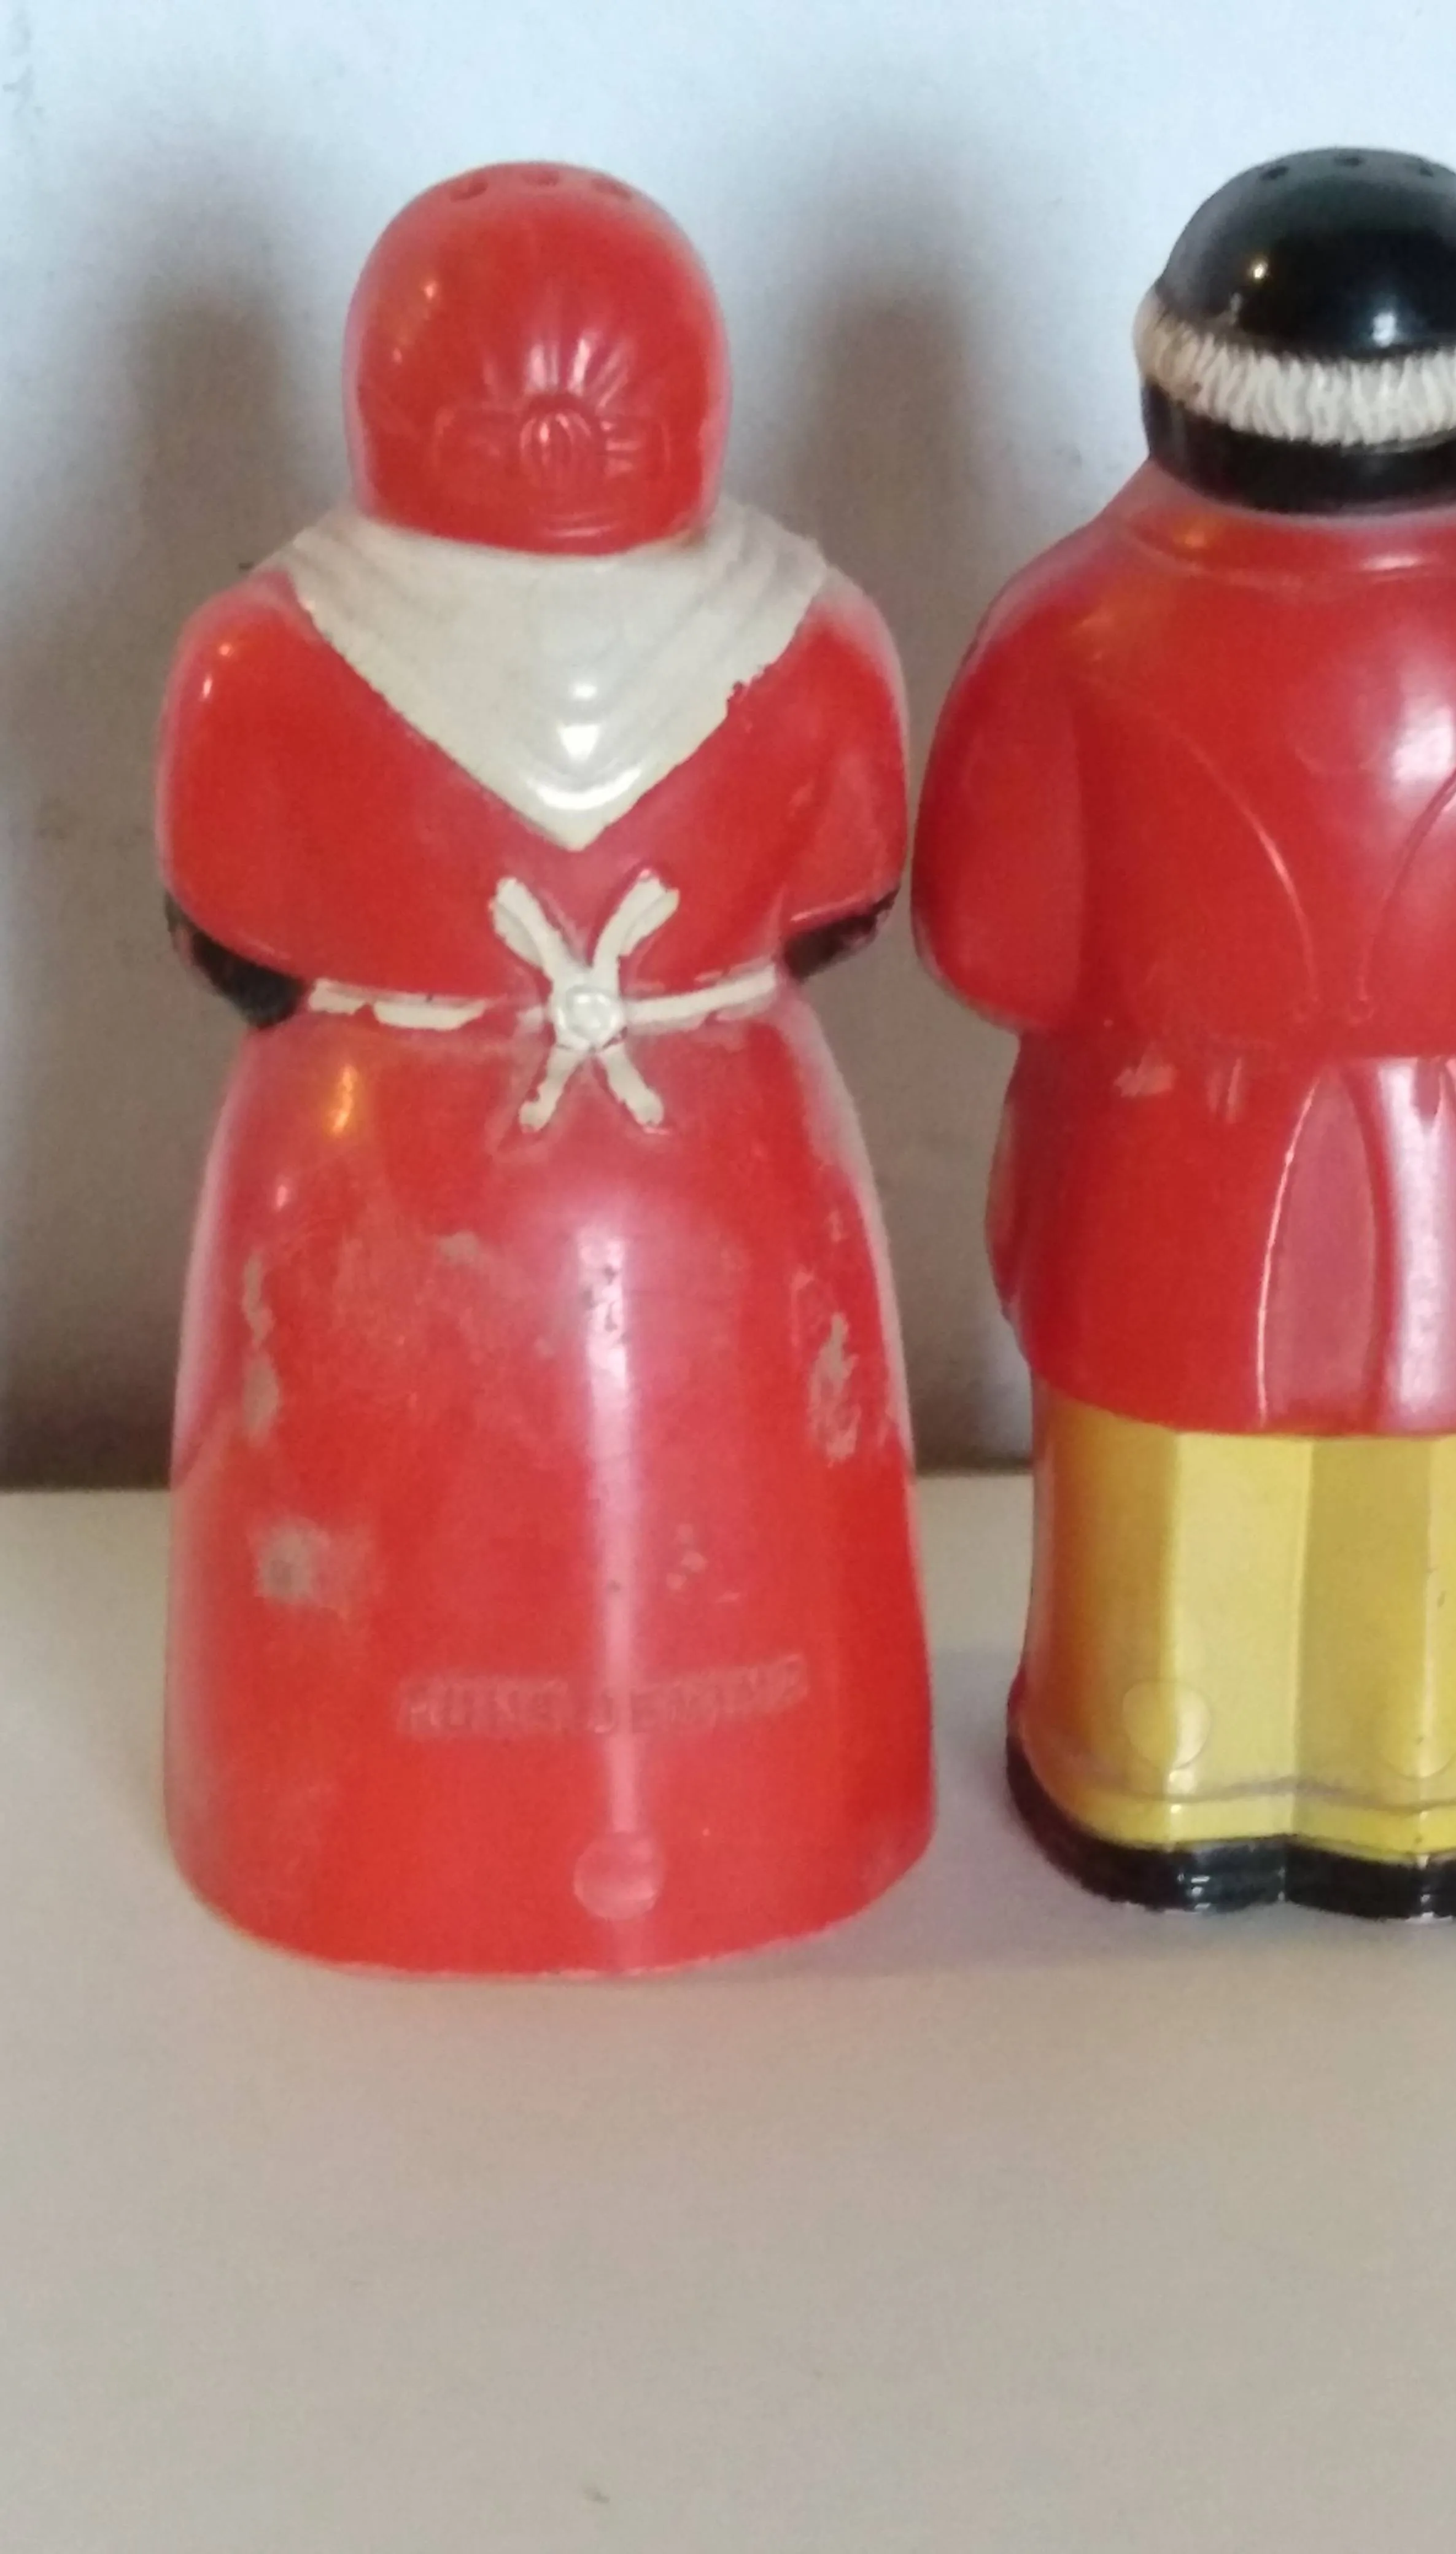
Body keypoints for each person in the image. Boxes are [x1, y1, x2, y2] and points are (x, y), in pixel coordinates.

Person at [915, 149, 1456, 1917]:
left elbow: (988, 939)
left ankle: (1157, 1773)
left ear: (1174, 390)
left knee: (1169, 1503)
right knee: (1442, 1508)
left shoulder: (1068, 630)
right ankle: (1423, 1775)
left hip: (1164, 1168)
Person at [160, 164, 931, 1971]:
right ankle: (769, 1824)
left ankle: (362, 1849)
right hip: (720, 1163)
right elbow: (846, 893)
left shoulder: (261, 659)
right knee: (743, 1503)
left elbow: (234, 930)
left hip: (376, 1156)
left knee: (371, 1521)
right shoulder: (816, 644)